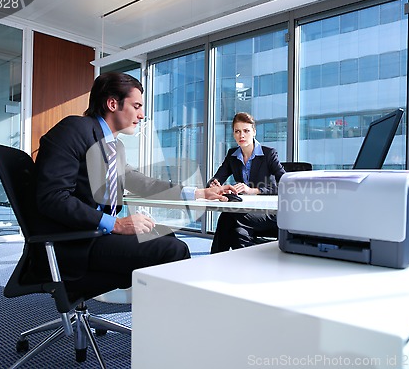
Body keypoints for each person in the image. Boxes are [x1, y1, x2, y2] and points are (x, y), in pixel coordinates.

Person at [35, 72, 235, 287]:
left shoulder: (114, 146)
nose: (141, 115)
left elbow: (141, 182)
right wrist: (117, 224)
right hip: (74, 243)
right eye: (137, 106)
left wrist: (198, 193)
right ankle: (174, 317)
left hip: (95, 235)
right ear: (112, 103)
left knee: (166, 238)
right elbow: (52, 197)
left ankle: (162, 311)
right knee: (171, 250)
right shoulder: (74, 129)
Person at [207, 112, 285, 253]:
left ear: (254, 132)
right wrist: (215, 185)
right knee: (238, 234)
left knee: (227, 215)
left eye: (246, 131)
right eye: (237, 131)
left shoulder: (269, 154)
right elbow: (216, 178)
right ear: (233, 134)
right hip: (244, 213)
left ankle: (213, 260)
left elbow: (285, 185)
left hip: (270, 214)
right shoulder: (232, 155)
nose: (241, 135)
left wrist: (253, 190)